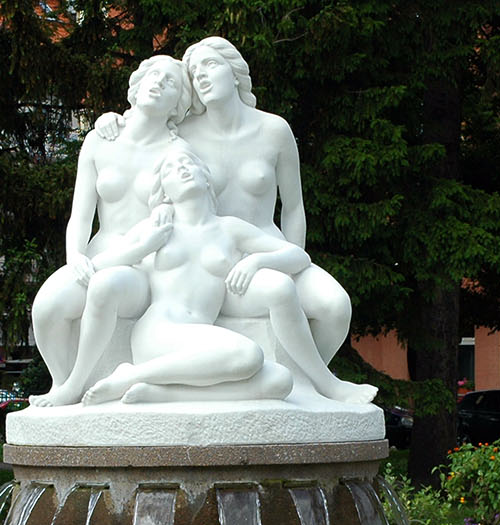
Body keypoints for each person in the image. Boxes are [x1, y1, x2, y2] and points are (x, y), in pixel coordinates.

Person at [97, 37, 365, 395]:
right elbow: (145, 125)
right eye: (194, 72)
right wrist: (111, 120)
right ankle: (312, 384)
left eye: (210, 65)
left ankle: (306, 383)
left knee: (335, 306)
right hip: (210, 264)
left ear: (236, 72)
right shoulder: (185, 134)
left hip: (264, 251)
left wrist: (289, 259)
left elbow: (295, 207)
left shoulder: (274, 129)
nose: (201, 76)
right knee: (278, 293)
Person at [80, 147, 302, 405]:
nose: (182, 169)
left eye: (187, 163)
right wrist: (142, 249)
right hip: (159, 332)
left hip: (201, 339)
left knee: (280, 380)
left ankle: (162, 393)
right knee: (249, 355)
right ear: (164, 191)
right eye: (171, 170)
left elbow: (297, 256)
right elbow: (98, 265)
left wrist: (256, 260)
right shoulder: (158, 227)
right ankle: (129, 376)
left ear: (206, 177)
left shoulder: (229, 228)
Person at [29, 55, 192, 407]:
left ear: (178, 105)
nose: (159, 82)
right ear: (136, 85)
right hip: (97, 254)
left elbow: (161, 233)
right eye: (153, 74)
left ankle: (75, 385)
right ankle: (62, 382)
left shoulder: (177, 152)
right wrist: (74, 256)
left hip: (143, 266)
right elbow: (80, 216)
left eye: (171, 83)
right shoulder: (100, 140)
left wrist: (109, 260)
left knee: (106, 286)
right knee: (47, 307)